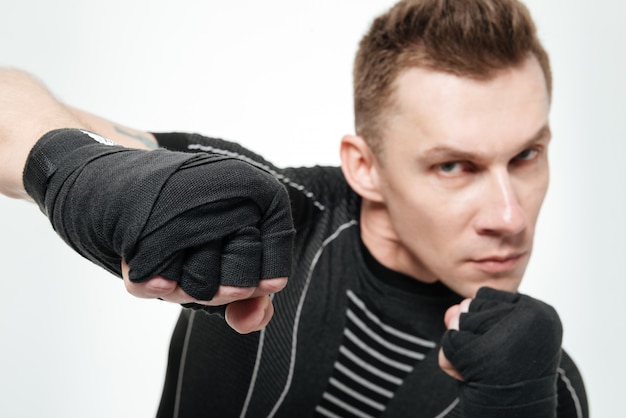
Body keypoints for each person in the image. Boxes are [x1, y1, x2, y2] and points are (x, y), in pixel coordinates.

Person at [0, 0, 588, 416]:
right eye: (453, 166)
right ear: (365, 166)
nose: (510, 218)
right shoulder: (266, 217)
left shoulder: (540, 383)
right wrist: (77, 173)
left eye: (526, 155)